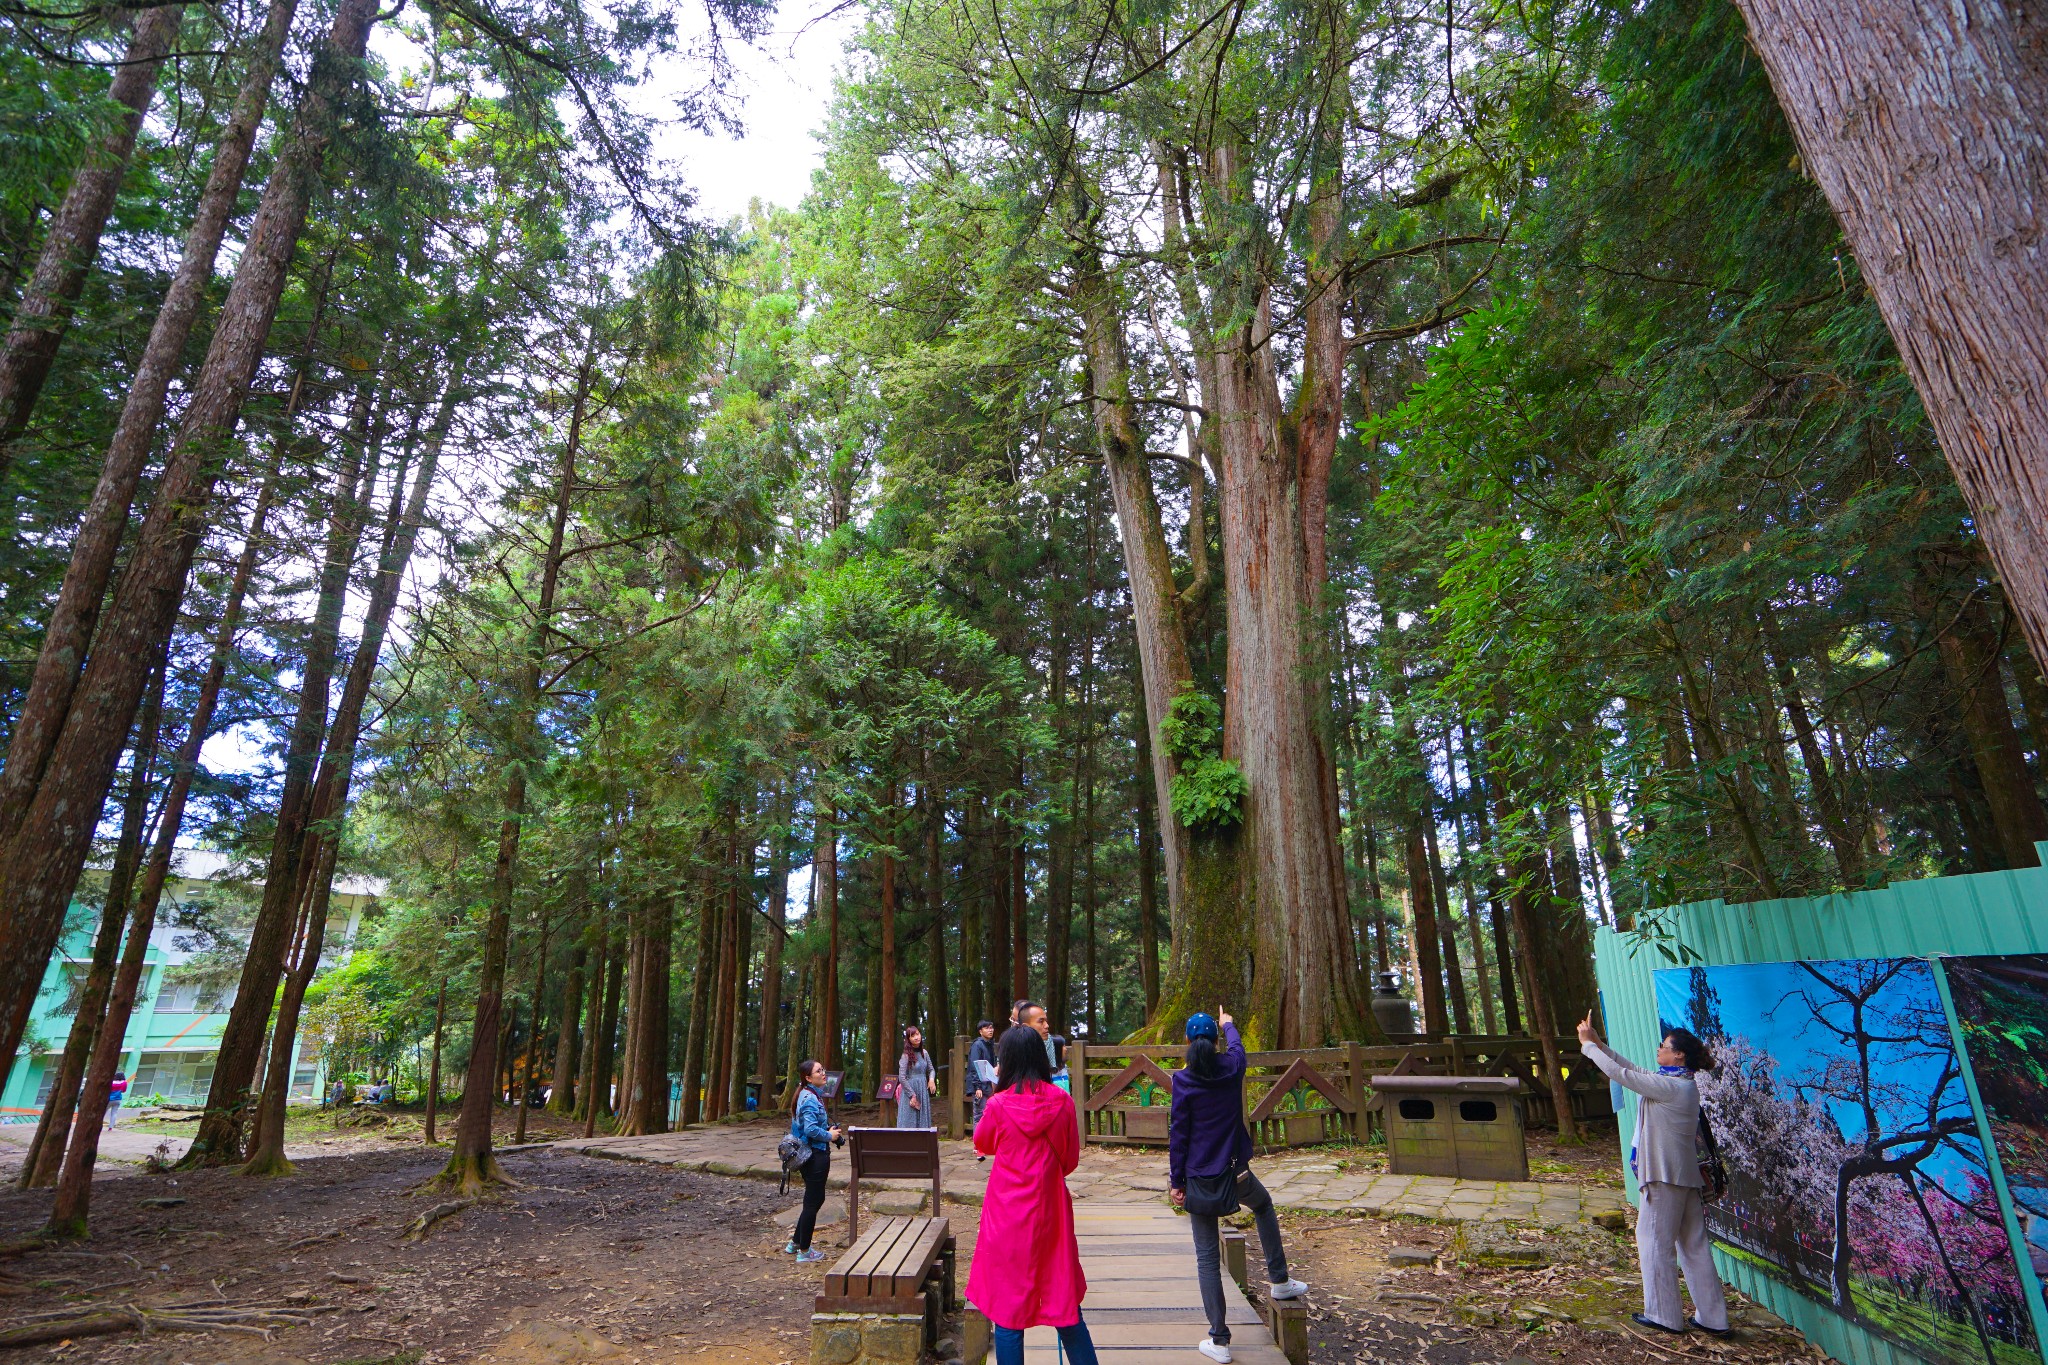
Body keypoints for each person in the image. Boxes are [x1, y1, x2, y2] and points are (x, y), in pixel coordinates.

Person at [1577, 1011, 1730, 1337]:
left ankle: (1664, 1315)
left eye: (1664, 1045)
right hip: (1682, 1176)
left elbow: (1622, 1075)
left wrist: (1588, 1048)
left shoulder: (1671, 1087)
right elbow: (1632, 1069)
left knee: (1653, 1242)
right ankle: (1714, 1319)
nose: (1658, 1048)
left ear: (1678, 1054)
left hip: (1664, 1177)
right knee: (1694, 1246)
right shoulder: (1678, 1084)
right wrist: (1599, 1043)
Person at [1169, 1011, 1307, 1364]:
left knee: (1206, 1260)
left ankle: (1220, 1340)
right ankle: (1279, 1279)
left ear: (1187, 1043)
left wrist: (1177, 1181)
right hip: (1236, 1173)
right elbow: (1239, 1048)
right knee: (1263, 1205)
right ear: (1215, 1041)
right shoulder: (1232, 1069)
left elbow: (1179, 1136)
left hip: (1200, 1179)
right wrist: (1228, 1022)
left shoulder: (1183, 1082)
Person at [967, 1025, 1100, 1365]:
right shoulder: (1062, 1101)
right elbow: (1069, 1159)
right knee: (1064, 1302)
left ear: (1006, 1060)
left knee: (1008, 1315)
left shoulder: (998, 1105)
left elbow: (982, 1142)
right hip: (1050, 1212)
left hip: (1007, 1214)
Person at [785, 1059, 844, 1263]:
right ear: (808, 1077)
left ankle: (795, 1242)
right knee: (813, 1202)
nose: (823, 1073)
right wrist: (829, 1136)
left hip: (809, 1154)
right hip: (814, 1156)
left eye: (823, 1069)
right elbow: (810, 1129)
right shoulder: (809, 1099)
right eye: (819, 1071)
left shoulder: (806, 1094)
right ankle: (805, 1251)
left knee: (814, 1200)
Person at [896, 1026, 935, 1129]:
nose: (916, 1037)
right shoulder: (906, 1056)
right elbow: (902, 1077)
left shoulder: (924, 1053)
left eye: (917, 1034)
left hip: (922, 1089)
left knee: (923, 1120)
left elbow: (931, 1069)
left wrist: (931, 1080)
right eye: (912, 1036)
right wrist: (912, 1095)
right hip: (910, 1089)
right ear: (908, 1039)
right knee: (909, 1120)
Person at [967, 1021, 998, 1131]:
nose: (990, 1030)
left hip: (988, 1084)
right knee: (979, 1116)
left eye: (991, 1027)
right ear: (980, 1031)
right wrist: (977, 1087)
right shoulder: (977, 1045)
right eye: (987, 1028)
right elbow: (974, 1066)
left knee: (988, 1115)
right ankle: (977, 1145)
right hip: (980, 1086)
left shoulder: (989, 1044)